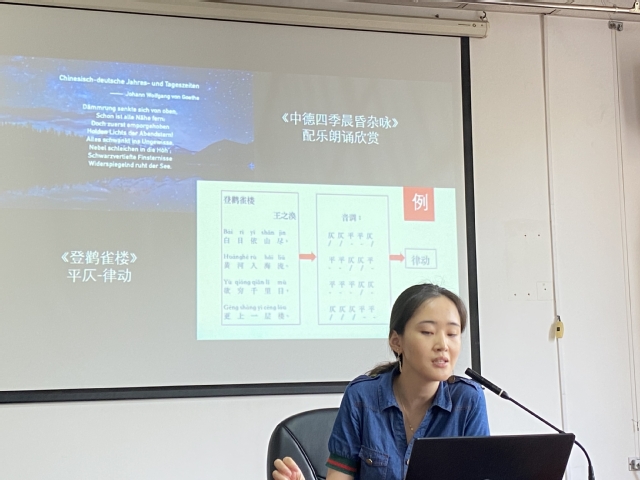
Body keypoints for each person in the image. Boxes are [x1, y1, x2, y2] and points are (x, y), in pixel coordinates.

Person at [272, 283, 489, 480]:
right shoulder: (361, 398)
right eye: (427, 332)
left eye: (452, 333)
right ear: (396, 342)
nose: (443, 345)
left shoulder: (468, 401)